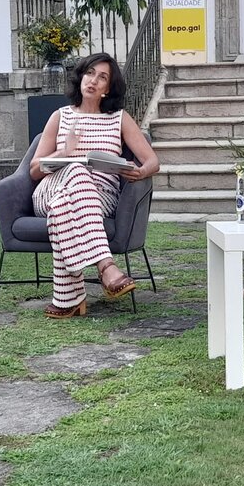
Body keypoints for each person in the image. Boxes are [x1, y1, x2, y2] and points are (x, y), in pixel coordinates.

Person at [29, 52, 159, 319]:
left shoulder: (119, 118)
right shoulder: (59, 117)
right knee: (76, 168)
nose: (93, 81)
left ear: (108, 88)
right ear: (80, 77)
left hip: (100, 198)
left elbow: (152, 161)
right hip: (50, 188)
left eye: (102, 78)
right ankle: (106, 266)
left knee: (63, 206)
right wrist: (64, 153)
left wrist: (140, 171)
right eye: (90, 73)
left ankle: (69, 298)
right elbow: (33, 170)